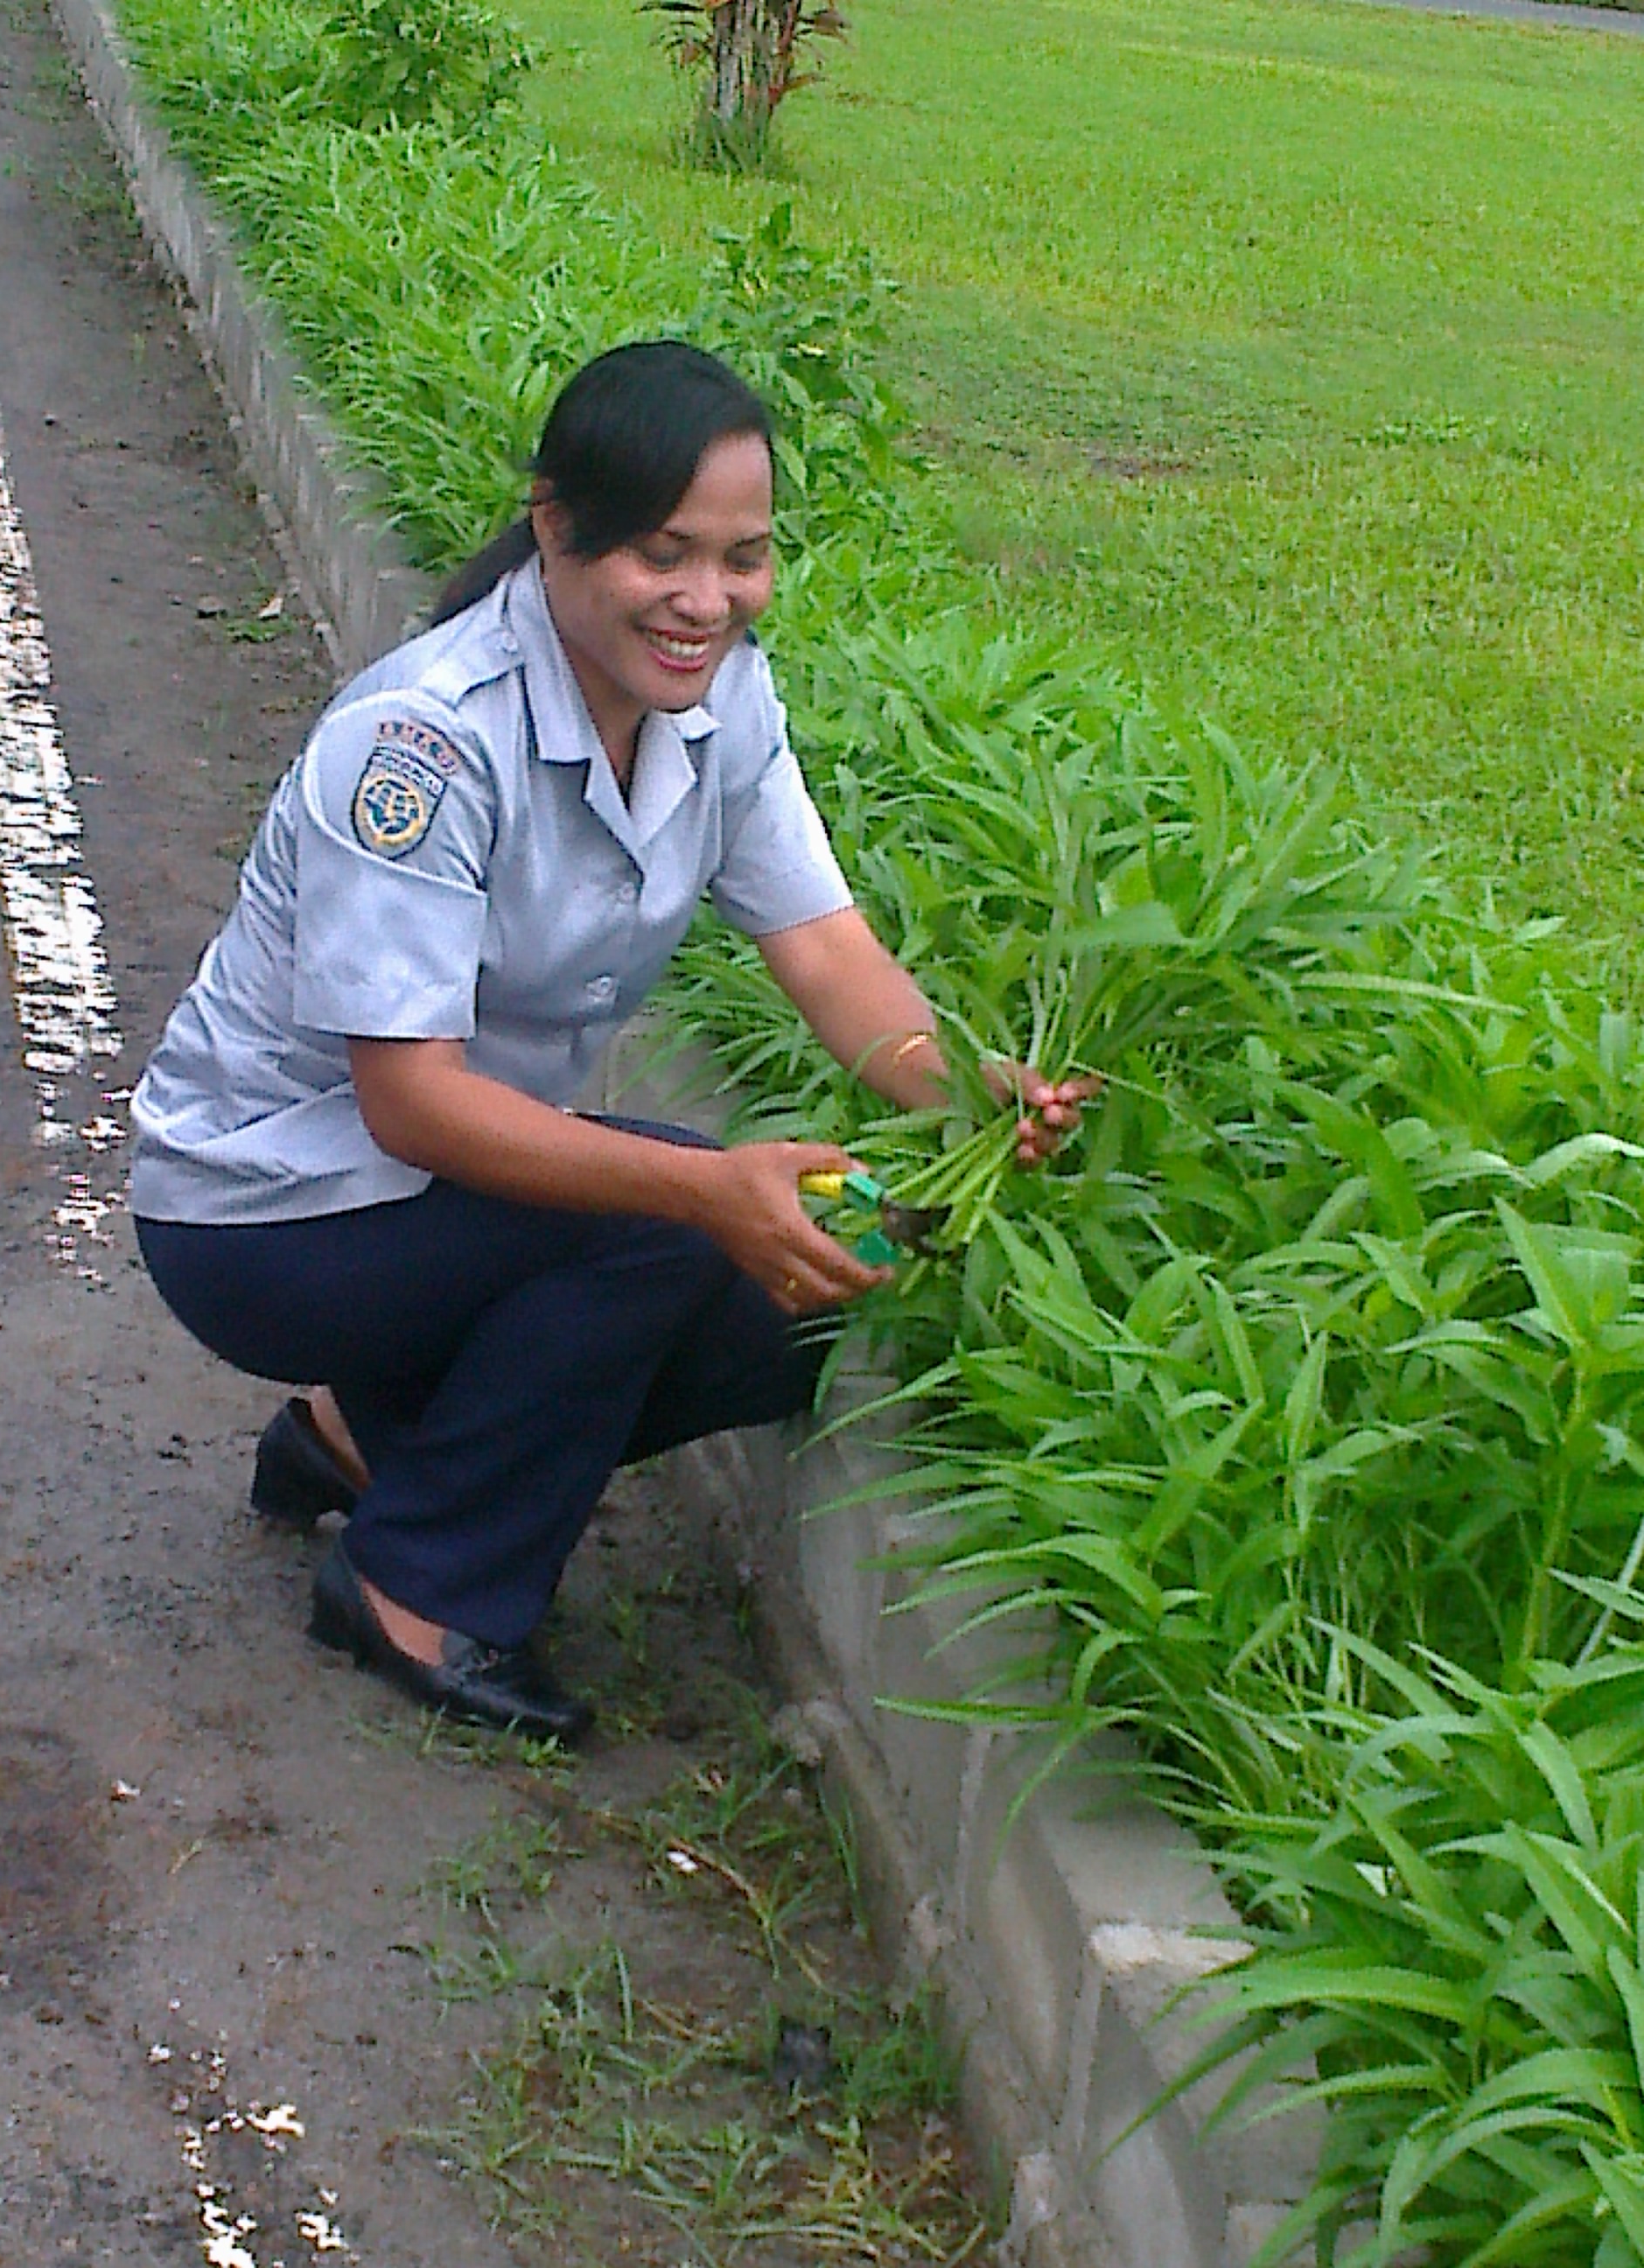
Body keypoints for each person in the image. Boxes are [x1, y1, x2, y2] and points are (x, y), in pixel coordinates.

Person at [129, 340, 1091, 1743]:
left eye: (744, 558)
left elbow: (823, 948)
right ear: (555, 525)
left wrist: (974, 1096)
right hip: (267, 1212)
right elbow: (407, 1107)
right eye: (663, 553)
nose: (707, 600)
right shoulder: (425, 744)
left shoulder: (720, 701)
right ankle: (415, 1586)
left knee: (812, 1290)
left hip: (448, 1197)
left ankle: (362, 1435)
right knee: (674, 1226)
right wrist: (702, 1187)